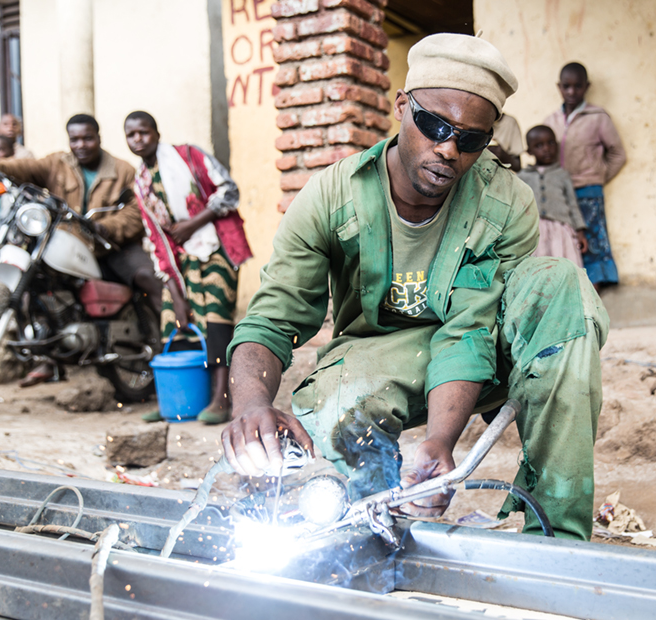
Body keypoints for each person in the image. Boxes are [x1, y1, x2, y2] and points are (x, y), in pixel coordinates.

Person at [220, 33, 609, 541]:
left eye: (470, 139)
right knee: (335, 400)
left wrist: (439, 442)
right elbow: (271, 318)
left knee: (561, 285)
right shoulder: (331, 196)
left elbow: (470, 328)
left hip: (485, 356)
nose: (448, 149)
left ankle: (555, 533)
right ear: (403, 106)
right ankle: (379, 517)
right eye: (434, 125)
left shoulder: (506, 201)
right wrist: (250, 406)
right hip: (380, 358)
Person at [0, 113, 162, 386]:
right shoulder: (57, 163)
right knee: (35, 285)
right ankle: (48, 357)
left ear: (98, 138)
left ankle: (167, 344)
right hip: (67, 243)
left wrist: (107, 227)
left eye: (87, 138)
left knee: (147, 276)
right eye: (75, 139)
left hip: (112, 246)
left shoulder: (122, 170)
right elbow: (24, 168)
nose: (81, 144)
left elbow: (136, 211)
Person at [124, 111, 252, 425]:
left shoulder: (189, 156)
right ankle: (177, 400)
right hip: (180, 262)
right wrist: (174, 291)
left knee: (216, 318)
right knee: (174, 320)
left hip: (216, 247)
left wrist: (193, 223)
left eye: (144, 132)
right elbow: (156, 238)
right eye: (131, 135)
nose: (138, 139)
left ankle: (222, 398)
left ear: (156, 132)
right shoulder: (140, 184)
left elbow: (230, 192)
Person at [544, 62, 626, 291]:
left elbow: (618, 153)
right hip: (559, 194)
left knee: (590, 243)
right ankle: (569, 295)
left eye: (577, 86)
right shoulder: (551, 121)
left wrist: (597, 175)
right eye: (566, 86)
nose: (572, 92)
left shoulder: (598, 117)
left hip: (587, 190)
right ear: (559, 87)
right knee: (565, 242)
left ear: (586, 87)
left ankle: (593, 296)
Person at [517, 125, 588, 269]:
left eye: (550, 143)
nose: (546, 149)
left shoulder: (562, 175)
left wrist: (580, 231)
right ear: (530, 151)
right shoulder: (522, 177)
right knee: (540, 266)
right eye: (539, 145)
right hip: (535, 231)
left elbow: (572, 204)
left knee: (564, 264)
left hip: (561, 230)